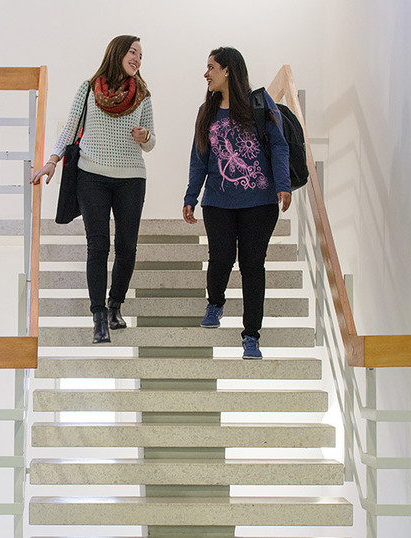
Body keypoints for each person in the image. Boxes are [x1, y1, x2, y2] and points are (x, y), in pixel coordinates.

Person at [32, 35, 156, 344]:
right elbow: (70, 128)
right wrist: (51, 161)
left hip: (131, 178)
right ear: (117, 52)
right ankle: (98, 317)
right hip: (92, 177)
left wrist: (145, 136)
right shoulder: (87, 89)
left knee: (127, 246)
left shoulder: (143, 94)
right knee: (98, 246)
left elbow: (152, 142)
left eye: (141, 55)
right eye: (133, 51)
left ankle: (115, 306)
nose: (138, 58)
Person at [182, 46, 291, 359]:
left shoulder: (260, 102)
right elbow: (199, 158)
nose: (206, 74)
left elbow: (280, 146)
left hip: (259, 200)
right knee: (221, 258)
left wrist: (283, 184)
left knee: (252, 266)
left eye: (211, 67)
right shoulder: (207, 112)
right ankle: (215, 302)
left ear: (228, 69)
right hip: (217, 201)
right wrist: (191, 195)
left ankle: (251, 336)